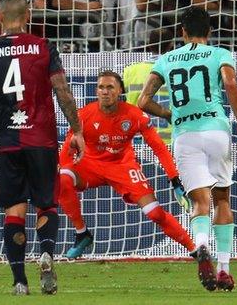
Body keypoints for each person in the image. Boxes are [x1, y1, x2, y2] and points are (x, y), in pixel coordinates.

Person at [0, 0, 84, 295]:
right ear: (28, 16)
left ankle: (19, 281)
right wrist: (76, 130)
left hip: (8, 143)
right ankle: (47, 254)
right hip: (41, 140)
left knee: (14, 209)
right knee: (46, 204)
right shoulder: (43, 47)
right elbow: (62, 91)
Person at [138, 6, 237, 292]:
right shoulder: (220, 54)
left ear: (182, 32)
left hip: (185, 135)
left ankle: (200, 246)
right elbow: (230, 82)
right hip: (215, 130)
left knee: (200, 202)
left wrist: (167, 114)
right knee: (222, 199)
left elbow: (142, 101)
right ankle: (224, 270)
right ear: (210, 32)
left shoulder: (167, 59)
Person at [58, 71, 195, 261]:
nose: (105, 92)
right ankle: (82, 233)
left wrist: (175, 179)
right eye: (101, 87)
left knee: (155, 213)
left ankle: (195, 250)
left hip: (122, 166)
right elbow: (67, 149)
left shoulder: (134, 115)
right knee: (63, 177)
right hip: (90, 166)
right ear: (96, 91)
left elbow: (159, 147)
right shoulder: (83, 115)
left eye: (110, 87)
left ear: (119, 90)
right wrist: (61, 167)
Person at [123, 29, 175, 144]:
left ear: (149, 45)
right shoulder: (178, 71)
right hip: (168, 141)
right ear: (172, 45)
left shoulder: (130, 71)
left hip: (139, 141)